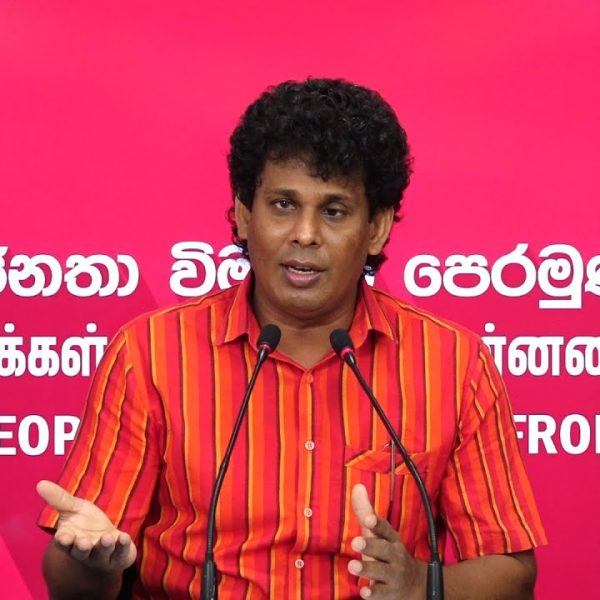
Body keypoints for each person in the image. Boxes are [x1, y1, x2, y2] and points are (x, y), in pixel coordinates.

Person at [37, 78, 546, 599]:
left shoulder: (453, 364)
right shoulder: (150, 353)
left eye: (333, 211)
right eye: (283, 204)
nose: (305, 233)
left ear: (376, 228)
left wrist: (420, 585)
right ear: (243, 214)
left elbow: (512, 572)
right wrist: (94, 562)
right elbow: (70, 576)